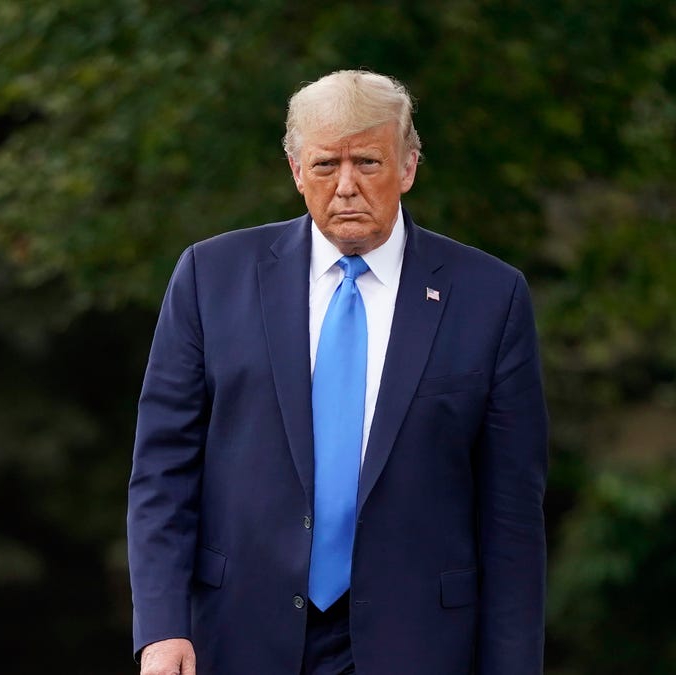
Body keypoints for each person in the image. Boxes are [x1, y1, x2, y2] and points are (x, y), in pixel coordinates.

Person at [127, 70, 548, 675]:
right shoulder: (209, 277)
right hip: (239, 635)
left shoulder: (490, 296)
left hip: (420, 643)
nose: (346, 186)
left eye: (368, 163)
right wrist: (162, 628)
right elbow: (162, 473)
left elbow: (511, 514)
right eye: (326, 165)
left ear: (407, 167)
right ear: (297, 172)